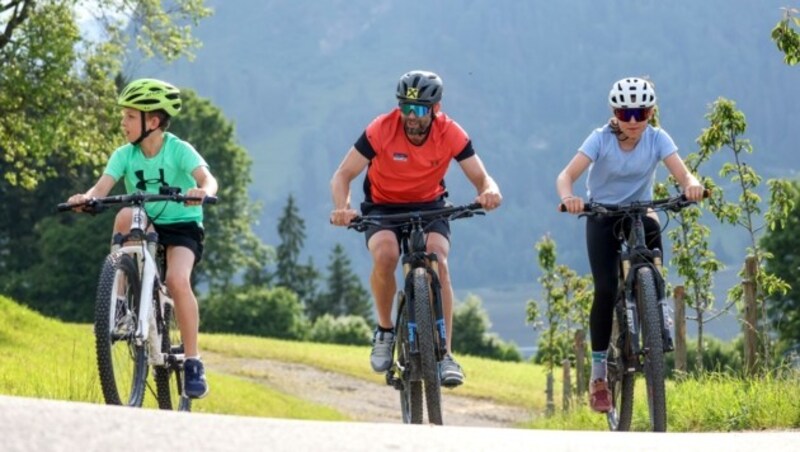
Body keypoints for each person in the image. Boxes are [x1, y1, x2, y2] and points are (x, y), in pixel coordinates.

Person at [330, 70, 502, 387]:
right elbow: (342, 175)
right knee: (385, 255)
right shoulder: (381, 129)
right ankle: (384, 330)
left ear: (435, 109)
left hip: (430, 205)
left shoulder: (450, 132)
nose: (410, 117)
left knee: (438, 259)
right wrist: (343, 208)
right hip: (383, 205)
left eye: (419, 110)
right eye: (405, 108)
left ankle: (446, 354)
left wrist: (489, 190)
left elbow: (481, 176)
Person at [556, 77, 704, 412]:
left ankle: (656, 311)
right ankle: (598, 378)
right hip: (602, 214)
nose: (634, 121)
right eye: (626, 113)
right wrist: (570, 198)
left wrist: (692, 186)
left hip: (640, 210)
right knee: (606, 289)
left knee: (653, 246)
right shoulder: (599, 139)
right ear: (615, 112)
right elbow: (566, 176)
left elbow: (684, 175)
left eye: (641, 112)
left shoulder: (657, 138)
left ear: (651, 112)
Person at [67, 78, 218, 399]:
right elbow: (102, 188)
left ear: (153, 121)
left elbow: (208, 179)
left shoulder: (178, 149)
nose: (123, 122)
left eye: (130, 117)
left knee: (178, 281)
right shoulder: (124, 155)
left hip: (183, 224)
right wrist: (87, 198)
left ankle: (193, 361)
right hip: (147, 221)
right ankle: (121, 303)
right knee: (123, 213)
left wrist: (202, 192)